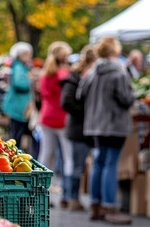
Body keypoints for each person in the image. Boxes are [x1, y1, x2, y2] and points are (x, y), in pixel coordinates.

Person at [81, 36, 134, 225]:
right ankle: (110, 206)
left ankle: (96, 206)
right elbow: (127, 98)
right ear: (114, 51)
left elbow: (81, 95)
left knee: (99, 162)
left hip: (95, 124)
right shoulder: (119, 72)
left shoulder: (91, 72)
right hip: (114, 124)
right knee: (110, 163)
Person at [59, 45, 97, 211]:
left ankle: (70, 197)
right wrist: (86, 112)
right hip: (78, 128)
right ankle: (72, 198)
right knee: (77, 166)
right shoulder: (75, 78)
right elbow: (66, 102)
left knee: (80, 165)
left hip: (88, 128)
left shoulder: (86, 76)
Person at [37, 41, 74, 208]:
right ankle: (67, 193)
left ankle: (40, 191)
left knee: (45, 156)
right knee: (68, 156)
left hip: (46, 117)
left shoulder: (44, 74)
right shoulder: (64, 75)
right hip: (63, 119)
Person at [1, 42, 33, 150]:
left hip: (18, 105)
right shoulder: (19, 67)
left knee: (16, 134)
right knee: (16, 136)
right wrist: (31, 82)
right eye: (28, 54)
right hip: (18, 106)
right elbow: (20, 84)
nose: (29, 57)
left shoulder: (19, 66)